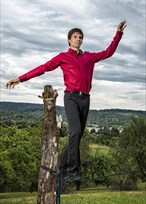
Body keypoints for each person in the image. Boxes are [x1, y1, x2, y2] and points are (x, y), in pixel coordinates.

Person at [6, 21, 127, 182]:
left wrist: (118, 34)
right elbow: (43, 68)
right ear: (69, 40)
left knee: (76, 136)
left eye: (81, 37)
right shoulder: (63, 57)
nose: (78, 39)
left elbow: (108, 52)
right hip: (71, 97)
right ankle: (72, 172)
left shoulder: (89, 57)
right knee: (75, 132)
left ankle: (61, 170)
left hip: (85, 98)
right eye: (75, 37)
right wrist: (20, 79)